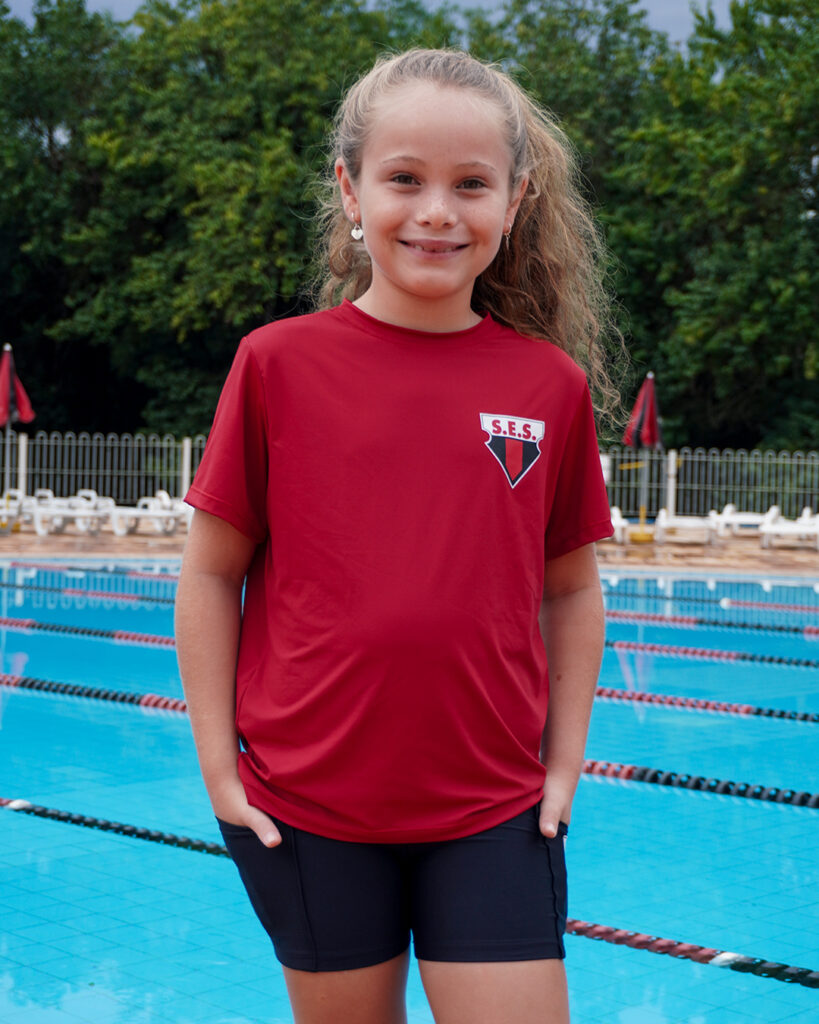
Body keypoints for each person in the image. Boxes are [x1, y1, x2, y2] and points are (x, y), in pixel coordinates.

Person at [175, 48, 620, 1024]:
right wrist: (217, 770)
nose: (437, 212)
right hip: (309, 807)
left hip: (492, 806)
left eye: (472, 184)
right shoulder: (277, 365)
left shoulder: (548, 385)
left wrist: (563, 765)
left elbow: (571, 587)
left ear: (516, 200)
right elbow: (209, 574)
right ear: (351, 190)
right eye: (405, 179)